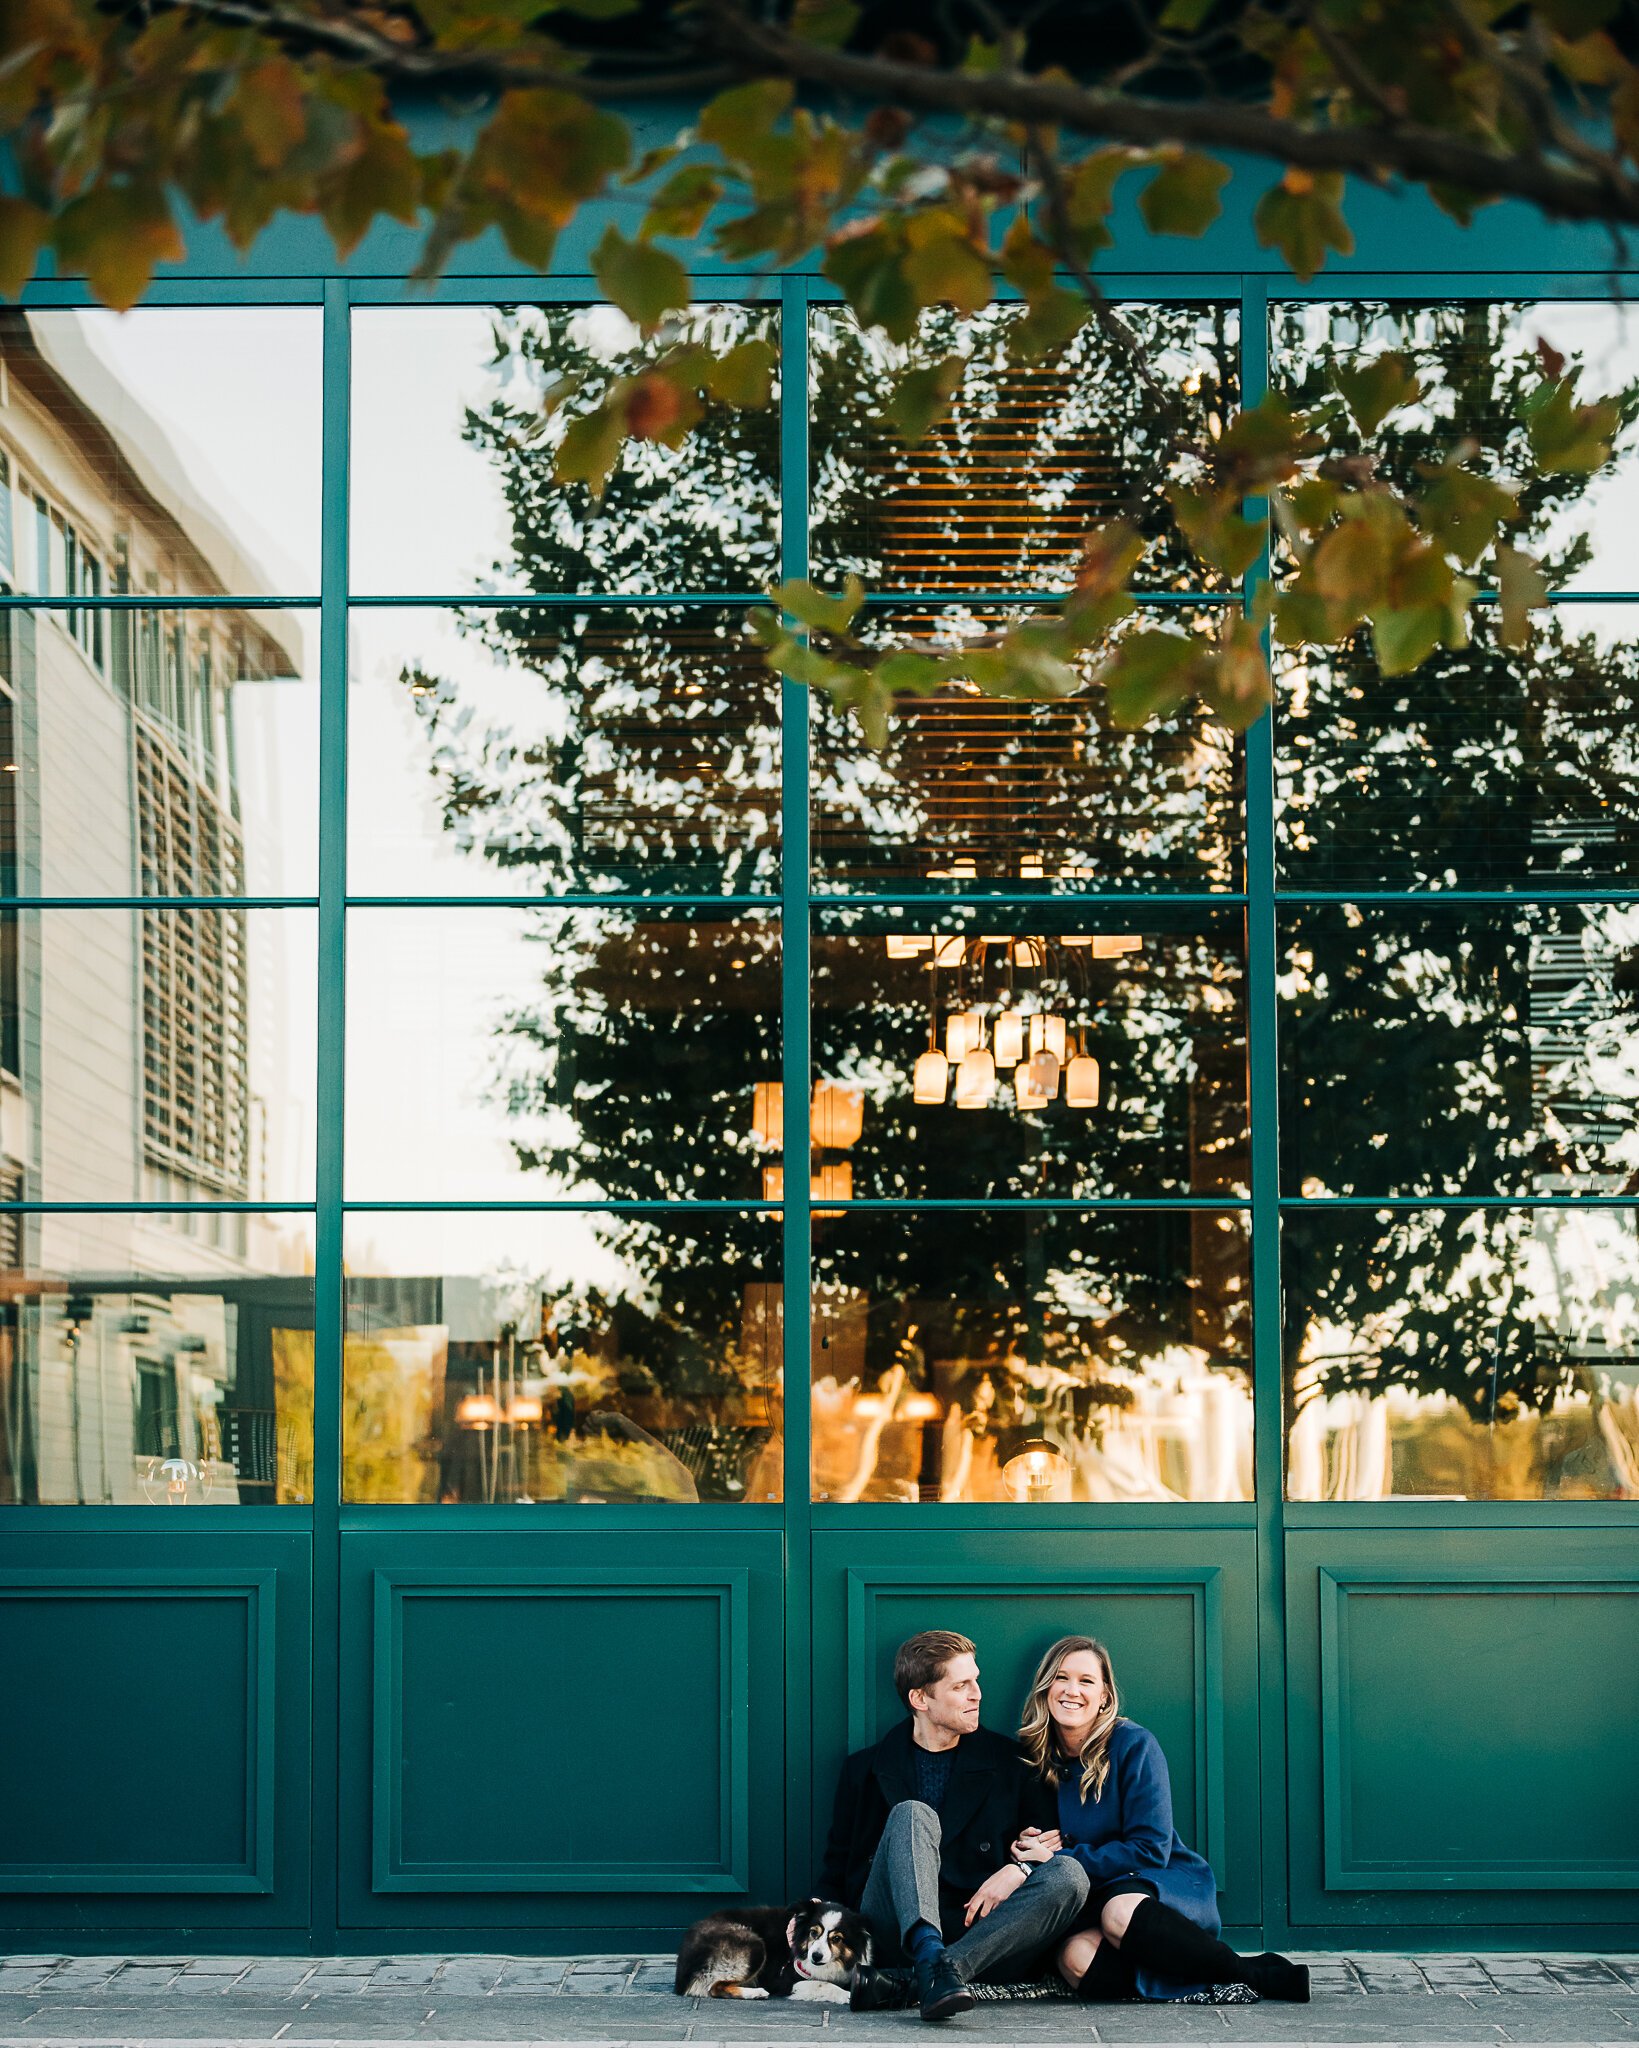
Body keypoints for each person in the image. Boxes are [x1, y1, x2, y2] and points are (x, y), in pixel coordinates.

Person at [1012, 1635, 1309, 2003]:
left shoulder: (1134, 1744)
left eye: (1086, 1680)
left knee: (1117, 1913)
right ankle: (1181, 1978)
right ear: (1046, 1686)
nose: (1072, 1690)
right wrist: (1024, 1843)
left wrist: (1062, 1860)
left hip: (1156, 1883)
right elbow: (1039, 1835)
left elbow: (1151, 1849)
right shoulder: (1036, 1754)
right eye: (1062, 1677)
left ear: (1105, 1695)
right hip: (1091, 1896)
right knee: (1073, 1959)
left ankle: (1252, 1973)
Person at [821, 1628, 1090, 2021]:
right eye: (961, 1685)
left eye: (975, 1681)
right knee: (913, 1813)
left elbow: (1046, 1847)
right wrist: (811, 1911)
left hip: (983, 1933)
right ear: (920, 1699)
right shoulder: (864, 1769)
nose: (977, 1694)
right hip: (895, 1929)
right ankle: (930, 1958)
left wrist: (1018, 1869)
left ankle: (924, 1978)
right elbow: (837, 1863)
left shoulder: (1015, 1763)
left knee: (1071, 1875)